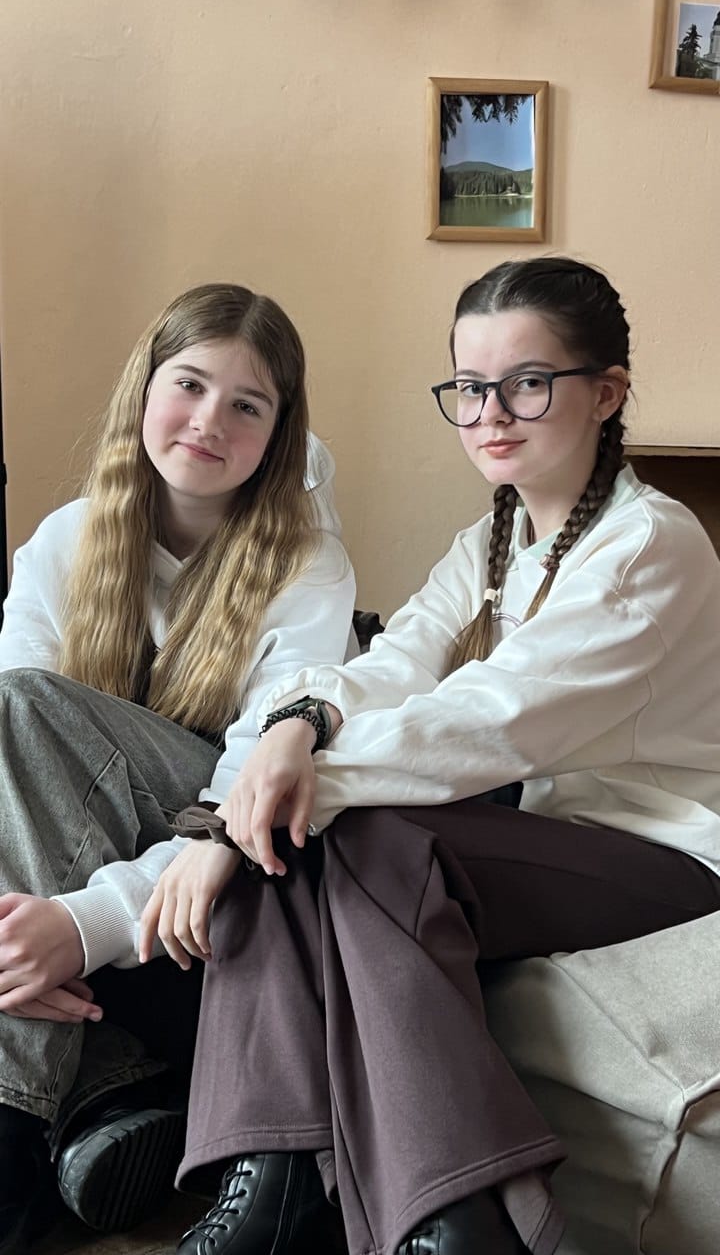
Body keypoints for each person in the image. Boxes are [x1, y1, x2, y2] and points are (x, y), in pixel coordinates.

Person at [139, 257, 720, 1255]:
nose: (491, 414)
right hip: (546, 836)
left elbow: (489, 718)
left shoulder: (646, 546)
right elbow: (395, 659)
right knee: (313, 830)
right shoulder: (493, 538)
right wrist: (295, 727)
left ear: (606, 392)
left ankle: (444, 1213)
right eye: (471, 387)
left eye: (527, 383)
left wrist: (246, 810)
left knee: (355, 830)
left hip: (664, 851)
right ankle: (276, 1179)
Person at [0, 282, 356, 1254]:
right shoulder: (67, 539)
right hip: (78, 859)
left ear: (278, 434)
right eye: (189, 384)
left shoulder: (308, 564)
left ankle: (17, 1137)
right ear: (145, 388)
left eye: (247, 404)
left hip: (216, 859)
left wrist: (80, 925)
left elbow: (251, 783)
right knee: (17, 718)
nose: (208, 421)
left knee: (23, 704)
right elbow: (11, 776)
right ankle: (106, 1089)